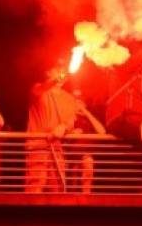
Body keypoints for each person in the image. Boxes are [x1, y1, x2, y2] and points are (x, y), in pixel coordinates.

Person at [26, 62, 106, 194]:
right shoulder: (39, 89)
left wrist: (63, 127)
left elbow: (70, 121)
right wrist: (52, 82)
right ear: (48, 73)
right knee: (35, 188)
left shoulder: (69, 99)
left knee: (57, 191)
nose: (60, 73)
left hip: (57, 150)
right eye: (56, 70)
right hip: (38, 148)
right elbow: (40, 90)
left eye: (62, 70)